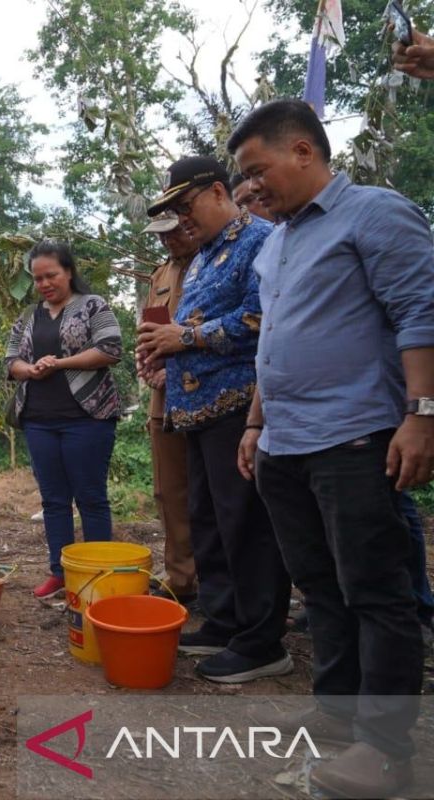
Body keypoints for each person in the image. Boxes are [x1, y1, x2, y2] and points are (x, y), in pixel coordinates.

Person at [229, 99, 434, 796]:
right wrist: (256, 425)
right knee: (320, 586)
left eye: (259, 171)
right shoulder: (278, 242)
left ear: (304, 153)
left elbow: (419, 309)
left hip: (356, 434)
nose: (252, 188)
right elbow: (273, 342)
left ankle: (385, 747)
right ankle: (339, 713)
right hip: (286, 443)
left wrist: (422, 413)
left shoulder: (375, 213)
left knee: (377, 590)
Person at [137, 155, 292, 684]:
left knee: (245, 523)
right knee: (206, 520)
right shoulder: (203, 255)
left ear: (220, 192)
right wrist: (165, 348)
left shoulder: (263, 241)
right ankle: (224, 619)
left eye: (186, 206)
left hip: (238, 408)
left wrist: (188, 338)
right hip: (192, 410)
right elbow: (184, 323)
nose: (181, 220)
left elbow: (263, 318)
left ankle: (262, 639)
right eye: (174, 210)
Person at [6, 241, 122, 599]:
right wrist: (30, 369)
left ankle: (99, 572)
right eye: (37, 278)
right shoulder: (28, 316)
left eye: (51, 275)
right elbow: (10, 359)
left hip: (87, 418)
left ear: (69, 271)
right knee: (53, 500)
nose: (44, 283)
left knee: (90, 497)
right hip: (39, 419)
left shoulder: (93, 305)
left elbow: (110, 348)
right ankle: (59, 572)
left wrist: (59, 363)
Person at [137, 212, 198, 605]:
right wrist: (147, 362)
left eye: (173, 232)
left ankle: (218, 577)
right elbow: (150, 328)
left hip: (205, 391)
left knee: (211, 492)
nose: (168, 241)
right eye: (161, 236)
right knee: (169, 490)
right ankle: (181, 575)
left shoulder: (212, 265)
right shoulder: (161, 274)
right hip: (164, 399)